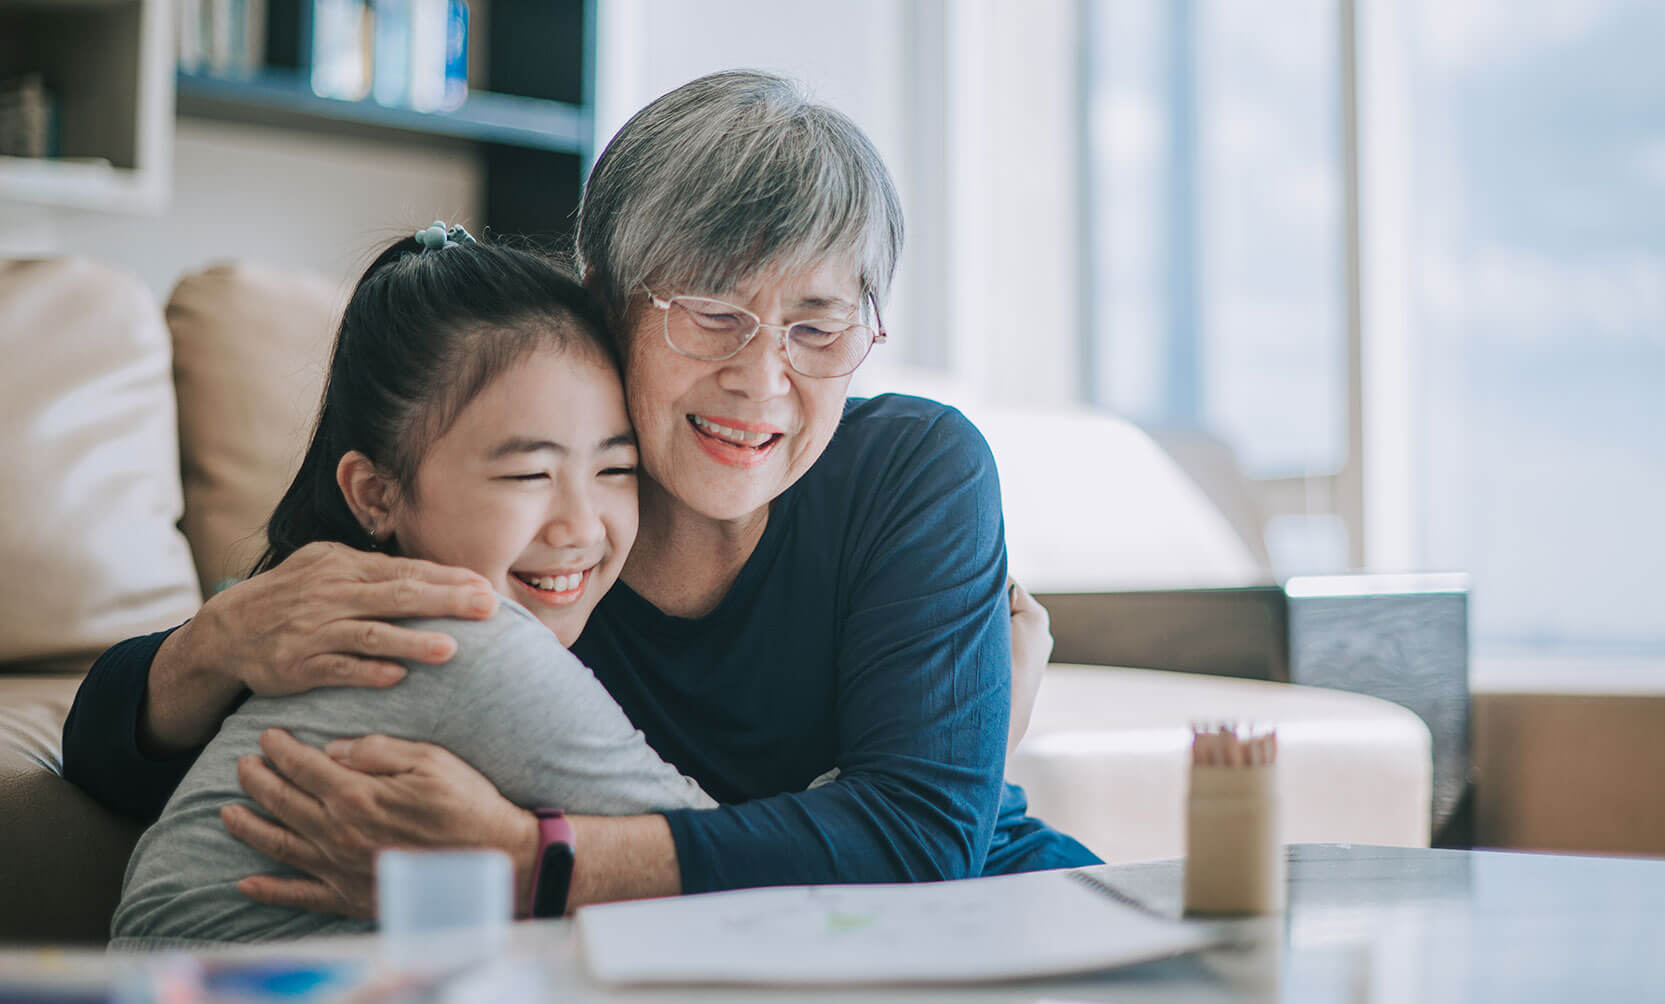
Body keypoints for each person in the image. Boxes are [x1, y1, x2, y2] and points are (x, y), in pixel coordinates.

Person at [64, 70, 1098, 921]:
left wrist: (531, 861)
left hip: (982, 915)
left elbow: (924, 842)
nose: (763, 378)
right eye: (710, 312)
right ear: (603, 297)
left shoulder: (910, 469)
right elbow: (120, 761)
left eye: (817, 327)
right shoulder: (509, 517)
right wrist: (220, 637)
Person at [112, 229, 814, 946]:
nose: (580, 526)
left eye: (614, 470)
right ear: (376, 495)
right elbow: (723, 865)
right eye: (527, 475)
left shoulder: (381, 609)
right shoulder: (470, 639)